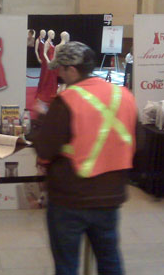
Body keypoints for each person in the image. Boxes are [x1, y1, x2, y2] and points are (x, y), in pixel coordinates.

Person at [34, 42, 137, 275]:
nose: (58, 75)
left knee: (67, 265)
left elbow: (45, 149)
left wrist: (40, 120)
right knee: (110, 261)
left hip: (70, 199)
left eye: (60, 69)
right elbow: (134, 143)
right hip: (110, 197)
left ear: (72, 69)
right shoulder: (124, 95)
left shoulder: (67, 100)